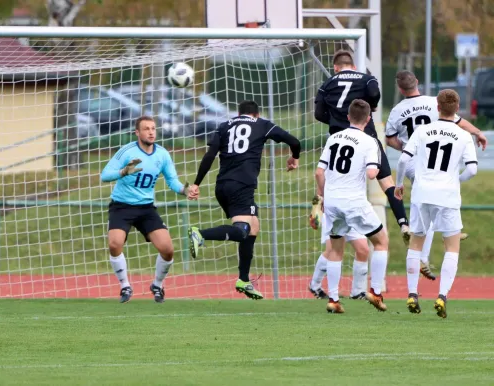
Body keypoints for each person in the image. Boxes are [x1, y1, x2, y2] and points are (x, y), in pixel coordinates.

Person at [186, 100, 301, 300]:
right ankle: (200, 234)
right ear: (256, 114)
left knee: (253, 226)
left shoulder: (223, 126)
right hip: (242, 186)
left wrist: (196, 183)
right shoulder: (262, 124)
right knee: (242, 231)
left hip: (222, 186)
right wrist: (294, 157)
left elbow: (210, 155)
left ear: (239, 114)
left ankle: (243, 279)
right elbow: (294, 142)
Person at [386, 70, 487, 280]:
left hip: (414, 159)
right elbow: (459, 123)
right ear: (418, 83)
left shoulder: (397, 110)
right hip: (434, 158)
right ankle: (429, 250)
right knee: (435, 197)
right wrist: (477, 132)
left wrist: (408, 148)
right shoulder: (434, 102)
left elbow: (390, 139)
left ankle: (442, 235)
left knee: (427, 201)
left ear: (400, 89)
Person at [395, 89, 478, 318]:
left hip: (422, 193)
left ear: (438, 107)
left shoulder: (422, 131)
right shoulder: (463, 135)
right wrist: (456, 181)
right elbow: (472, 169)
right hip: (447, 195)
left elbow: (403, 159)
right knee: (451, 246)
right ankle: (442, 296)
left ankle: (412, 293)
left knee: (416, 243)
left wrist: (399, 184)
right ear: (457, 108)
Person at [314, 50, 410, 244]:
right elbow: (374, 92)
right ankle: (404, 223)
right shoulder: (366, 78)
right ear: (354, 66)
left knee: (333, 180)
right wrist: (372, 105)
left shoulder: (327, 84)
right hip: (367, 138)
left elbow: (318, 113)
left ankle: (320, 205)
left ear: (335, 68)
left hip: (339, 141)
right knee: (387, 183)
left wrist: (334, 120)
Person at [100, 116, 193, 303]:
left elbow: (172, 180)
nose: (151, 132)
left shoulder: (162, 154)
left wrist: (184, 190)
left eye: (153, 128)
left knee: (167, 249)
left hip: (146, 209)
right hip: (122, 206)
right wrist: (123, 172)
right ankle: (125, 286)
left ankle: (157, 285)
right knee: (114, 244)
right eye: (146, 129)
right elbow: (104, 175)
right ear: (137, 132)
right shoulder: (126, 151)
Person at [315, 99, 389, 314]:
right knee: (381, 241)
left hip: (333, 202)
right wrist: (373, 167)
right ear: (368, 119)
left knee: (336, 250)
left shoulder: (334, 138)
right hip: (354, 201)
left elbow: (319, 172)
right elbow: (372, 173)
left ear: (348, 117)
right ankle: (375, 292)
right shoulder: (369, 142)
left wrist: (323, 195)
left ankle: (334, 299)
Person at [308, 209, 369, 300]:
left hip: (353, 212)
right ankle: (315, 285)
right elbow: (320, 194)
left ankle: (357, 292)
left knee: (363, 250)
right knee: (332, 250)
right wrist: (315, 211)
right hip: (334, 212)